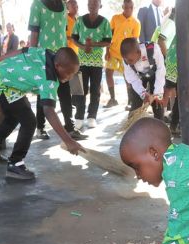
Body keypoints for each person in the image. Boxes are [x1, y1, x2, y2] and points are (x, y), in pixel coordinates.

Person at [0, 47, 84, 180]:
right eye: (69, 73)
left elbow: (22, 50)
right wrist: (68, 141)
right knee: (29, 121)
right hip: (1, 82)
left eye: (73, 74)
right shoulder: (49, 79)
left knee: (13, 116)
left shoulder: (47, 53)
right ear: (57, 66)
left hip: (0, 76)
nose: (70, 77)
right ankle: (15, 164)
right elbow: (49, 111)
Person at [28, 0, 86, 141]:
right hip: (44, 57)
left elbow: (61, 31)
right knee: (44, 94)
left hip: (62, 56)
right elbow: (34, 33)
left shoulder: (62, 5)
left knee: (65, 93)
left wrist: (67, 52)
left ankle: (70, 128)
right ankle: (40, 127)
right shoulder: (37, 4)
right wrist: (33, 58)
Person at [71, 0, 111, 130]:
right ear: (87, 5)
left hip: (97, 62)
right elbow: (74, 38)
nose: (92, 6)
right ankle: (79, 117)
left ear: (100, 5)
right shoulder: (80, 20)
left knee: (95, 90)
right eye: (90, 4)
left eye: (95, 4)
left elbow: (107, 41)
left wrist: (92, 44)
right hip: (81, 61)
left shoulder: (105, 22)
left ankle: (92, 116)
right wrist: (83, 46)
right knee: (80, 89)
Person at [104, 0, 140, 109]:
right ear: (123, 7)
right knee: (108, 72)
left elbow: (135, 41)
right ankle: (112, 98)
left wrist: (133, 57)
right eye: (126, 7)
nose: (128, 10)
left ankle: (130, 101)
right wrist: (107, 51)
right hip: (113, 52)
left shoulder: (136, 23)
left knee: (128, 77)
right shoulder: (115, 18)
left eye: (130, 7)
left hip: (126, 55)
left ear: (133, 8)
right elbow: (108, 36)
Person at [121, 37, 166, 121]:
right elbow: (133, 79)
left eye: (130, 60)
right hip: (140, 77)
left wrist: (157, 93)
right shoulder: (126, 60)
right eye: (126, 60)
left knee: (158, 102)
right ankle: (132, 123)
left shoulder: (153, 49)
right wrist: (143, 94)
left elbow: (161, 70)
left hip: (156, 75)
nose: (128, 62)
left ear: (138, 52)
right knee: (136, 101)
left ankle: (159, 124)